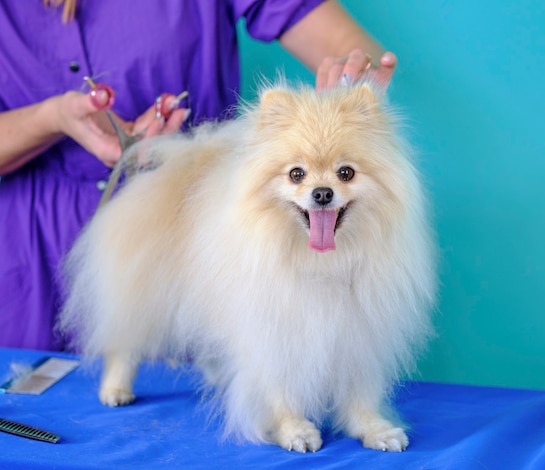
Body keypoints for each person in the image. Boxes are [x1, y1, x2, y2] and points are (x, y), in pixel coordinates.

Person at [0, 0, 397, 351]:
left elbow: (351, 51)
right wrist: (51, 118)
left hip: (190, 224)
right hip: (27, 252)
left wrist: (351, 77)